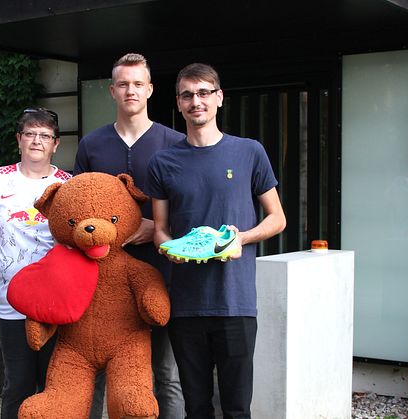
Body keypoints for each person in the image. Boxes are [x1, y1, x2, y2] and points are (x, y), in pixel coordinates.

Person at [146, 63, 287, 418]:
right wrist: (169, 249)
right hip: (186, 305)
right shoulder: (163, 163)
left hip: (235, 303)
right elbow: (160, 229)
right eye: (188, 95)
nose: (197, 101)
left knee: (237, 407)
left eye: (204, 92)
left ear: (219, 97)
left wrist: (243, 237)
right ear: (178, 103)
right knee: (196, 407)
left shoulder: (249, 152)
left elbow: (278, 218)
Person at [75, 52, 185, 419]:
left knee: (165, 372)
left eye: (138, 84)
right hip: (100, 278)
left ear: (150, 89)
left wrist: (157, 228)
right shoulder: (92, 145)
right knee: (97, 370)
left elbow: (190, 207)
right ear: (112, 90)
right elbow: (76, 207)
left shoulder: (175, 144)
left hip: (162, 273)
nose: (130, 91)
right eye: (123, 84)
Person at [0, 107, 71, 419]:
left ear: (55, 144)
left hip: (54, 304)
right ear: (19, 139)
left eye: (45, 136)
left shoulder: (67, 185)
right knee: (16, 385)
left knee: (52, 386)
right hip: (10, 303)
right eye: (30, 134)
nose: (36, 141)